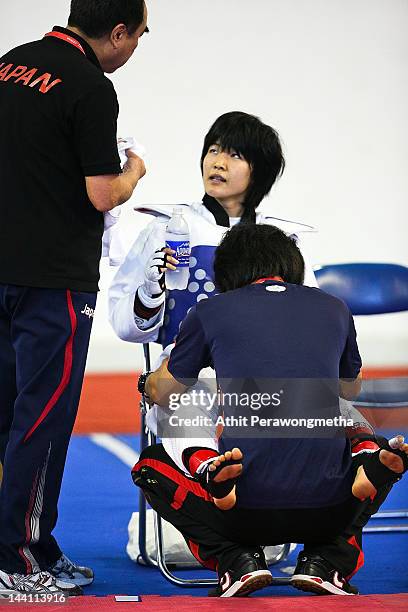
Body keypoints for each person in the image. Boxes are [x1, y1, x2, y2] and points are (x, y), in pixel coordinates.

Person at [134, 224, 408, 598]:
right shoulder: (334, 308)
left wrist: (146, 382)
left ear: (226, 273)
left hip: (243, 513)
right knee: (366, 449)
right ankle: (327, 560)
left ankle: (236, 559)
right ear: (292, 264)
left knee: (149, 466)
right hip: (329, 509)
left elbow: (165, 392)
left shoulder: (210, 311)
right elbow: (349, 388)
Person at [0, 0, 148, 598]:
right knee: (43, 417)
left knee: (7, 415)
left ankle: (33, 544)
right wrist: (134, 172)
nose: (135, 48)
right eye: (139, 36)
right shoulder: (90, 86)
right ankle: (18, 560)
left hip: (4, 271)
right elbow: (100, 193)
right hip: (51, 281)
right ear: (117, 33)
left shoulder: (9, 65)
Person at [109, 110, 319, 469]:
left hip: (264, 376)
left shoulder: (281, 241)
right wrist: (149, 291)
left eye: (235, 155)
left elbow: (313, 320)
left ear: (260, 170)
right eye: (214, 150)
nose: (218, 162)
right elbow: (126, 327)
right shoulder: (168, 228)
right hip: (185, 374)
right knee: (181, 411)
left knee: (315, 418)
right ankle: (205, 478)